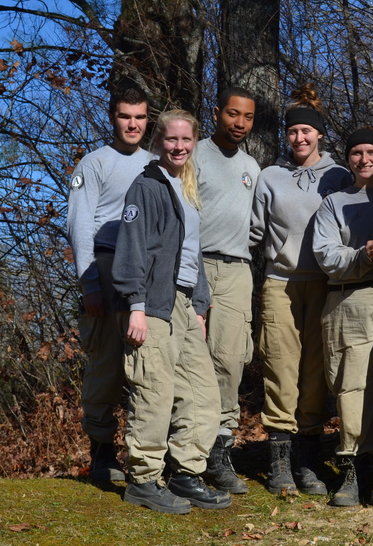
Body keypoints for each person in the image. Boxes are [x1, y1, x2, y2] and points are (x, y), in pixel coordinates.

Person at [113, 110, 230, 514]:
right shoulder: (145, 187)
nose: (179, 147)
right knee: (154, 392)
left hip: (182, 304)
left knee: (202, 393)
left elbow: (191, 254)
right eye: (171, 140)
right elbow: (131, 249)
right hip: (151, 304)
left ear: (194, 142)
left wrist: (199, 305)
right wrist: (136, 307)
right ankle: (144, 479)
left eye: (186, 140)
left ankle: (185, 473)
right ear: (158, 141)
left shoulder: (185, 186)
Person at [250, 83, 352, 496]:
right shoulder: (270, 177)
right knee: (280, 369)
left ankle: (308, 460)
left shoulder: (341, 175)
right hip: (281, 282)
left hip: (327, 285)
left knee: (315, 373)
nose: (299, 138)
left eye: (307, 131)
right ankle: (279, 462)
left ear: (319, 134)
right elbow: (254, 232)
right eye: (292, 132)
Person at [66, 81, 151, 481]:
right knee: (105, 364)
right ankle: (102, 453)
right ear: (112, 118)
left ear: (148, 119)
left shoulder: (156, 163)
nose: (132, 125)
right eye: (125, 116)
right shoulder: (95, 163)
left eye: (139, 117)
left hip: (144, 273)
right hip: (104, 266)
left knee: (145, 363)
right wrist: (91, 285)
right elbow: (80, 224)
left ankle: (144, 455)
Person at [312, 127, 373, 506]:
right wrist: (360, 255)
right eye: (356, 153)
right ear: (347, 158)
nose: (365, 159)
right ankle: (352, 466)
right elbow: (326, 255)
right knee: (351, 385)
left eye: (372, 152)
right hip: (350, 300)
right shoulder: (334, 202)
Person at [194, 87, 260, 494]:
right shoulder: (194, 154)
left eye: (248, 117)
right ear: (217, 112)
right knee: (187, 358)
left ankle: (220, 451)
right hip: (194, 264)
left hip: (237, 269)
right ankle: (182, 451)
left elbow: (254, 223)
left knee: (230, 358)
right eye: (233, 114)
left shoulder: (252, 165)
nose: (239, 123)